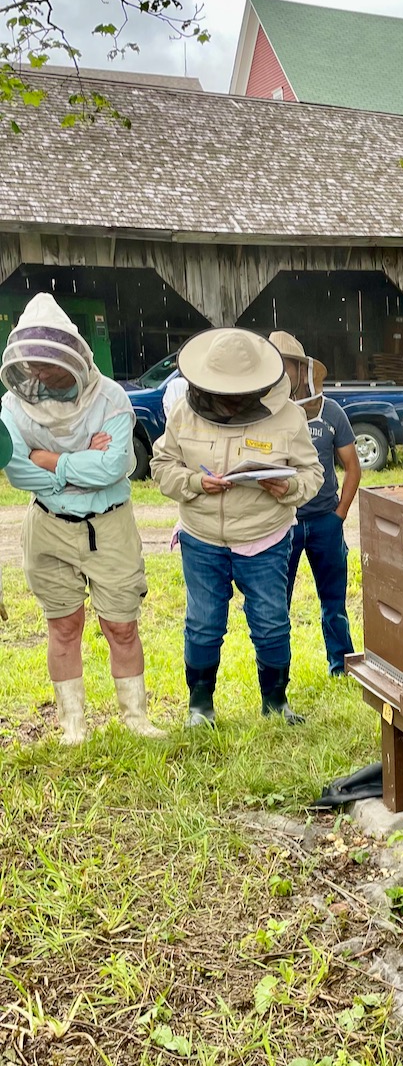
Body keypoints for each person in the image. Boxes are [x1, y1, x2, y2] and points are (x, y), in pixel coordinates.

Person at [0, 293, 162, 742]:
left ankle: (137, 719)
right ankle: (73, 724)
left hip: (110, 525)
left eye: (49, 363)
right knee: (63, 624)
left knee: (121, 625)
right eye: (32, 363)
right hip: (47, 526)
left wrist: (50, 459)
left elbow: (114, 466)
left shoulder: (110, 397)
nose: (40, 373)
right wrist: (73, 467)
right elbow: (17, 471)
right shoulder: (12, 408)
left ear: (71, 356)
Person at [151, 328, 323, 726]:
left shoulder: (289, 416)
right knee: (204, 623)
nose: (229, 399)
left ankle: (276, 703)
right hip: (202, 537)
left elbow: (312, 472)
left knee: (271, 621)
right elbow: (161, 466)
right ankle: (200, 707)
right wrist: (195, 483)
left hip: (265, 536)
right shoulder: (182, 412)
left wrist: (289, 486)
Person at [270, 330, 360, 677]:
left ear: (300, 370)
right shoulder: (264, 415)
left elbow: (353, 468)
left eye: (285, 366)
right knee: (277, 606)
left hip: (325, 521)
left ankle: (341, 667)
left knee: (334, 603)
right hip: (282, 524)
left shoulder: (331, 412)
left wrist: (339, 515)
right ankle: (278, 675)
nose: (279, 374)